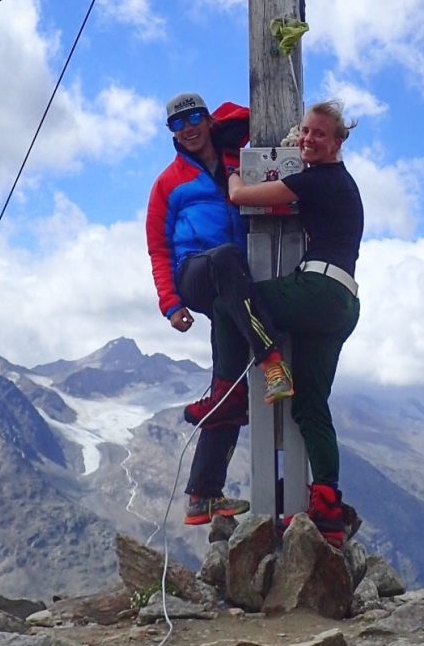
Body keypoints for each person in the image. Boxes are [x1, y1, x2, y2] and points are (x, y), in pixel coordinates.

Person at [221, 99, 363, 548]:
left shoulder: (317, 180)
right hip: (343, 302)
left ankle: (269, 365)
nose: (308, 140)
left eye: (319, 134)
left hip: (317, 289)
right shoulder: (337, 184)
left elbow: (241, 196)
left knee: (238, 296)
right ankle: (328, 513)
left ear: (339, 141)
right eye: (304, 132)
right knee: (311, 408)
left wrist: (230, 167)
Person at [146, 91, 280, 526]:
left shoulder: (234, 162)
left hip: (235, 287)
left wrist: (226, 127)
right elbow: (158, 248)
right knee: (223, 256)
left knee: (229, 387)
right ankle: (271, 357)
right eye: (177, 124)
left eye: (195, 118)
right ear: (170, 134)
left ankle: (202, 496)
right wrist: (170, 304)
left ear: (206, 119)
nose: (187, 129)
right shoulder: (169, 183)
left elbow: (250, 114)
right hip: (196, 273)